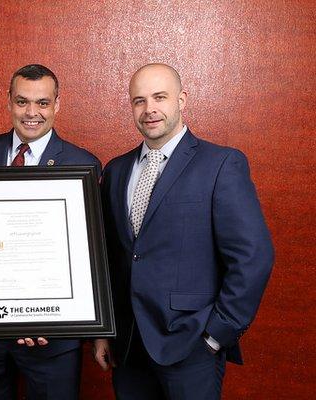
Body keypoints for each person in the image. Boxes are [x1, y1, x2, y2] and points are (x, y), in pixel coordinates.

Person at [93, 63, 274, 399]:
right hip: (129, 346)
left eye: (160, 97)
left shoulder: (221, 164)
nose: (150, 109)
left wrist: (217, 333)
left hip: (191, 345)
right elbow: (108, 257)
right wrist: (103, 330)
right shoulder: (116, 171)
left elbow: (253, 256)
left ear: (182, 99)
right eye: (139, 100)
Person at [0, 64, 101, 400]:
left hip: (55, 338)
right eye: (22, 101)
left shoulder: (83, 165)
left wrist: (46, 316)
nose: (31, 113)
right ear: (8, 101)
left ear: (57, 105)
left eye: (42, 102)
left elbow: (92, 256)